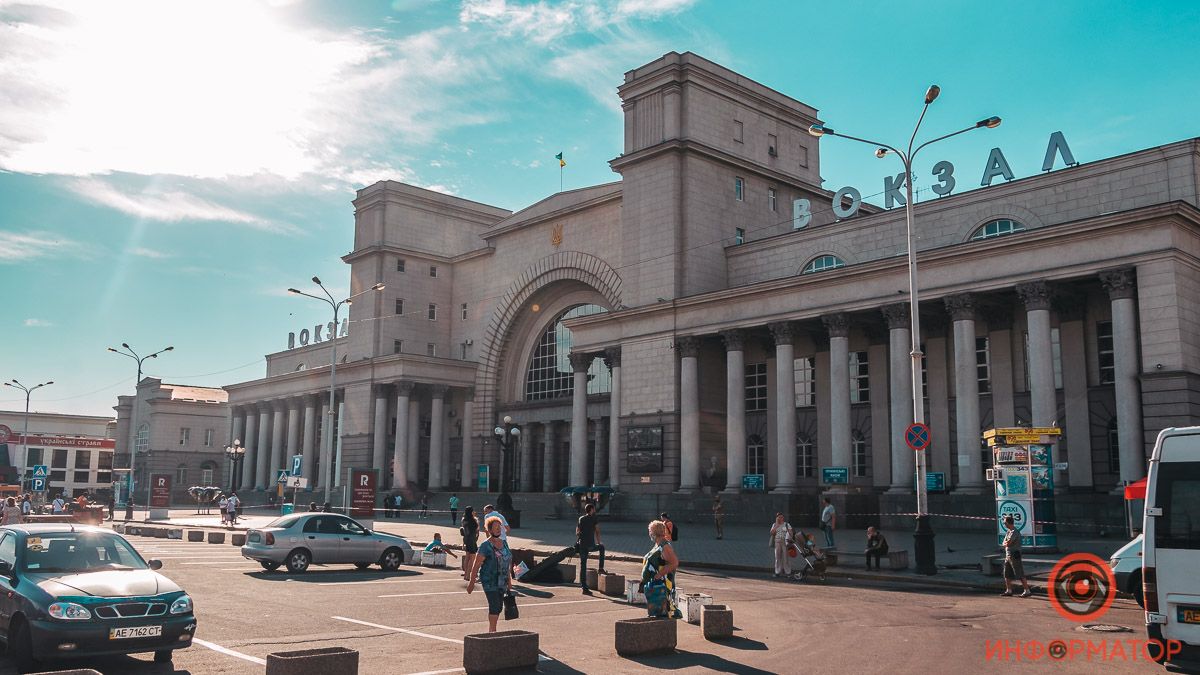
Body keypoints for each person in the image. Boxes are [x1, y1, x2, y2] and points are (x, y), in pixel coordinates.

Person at [467, 516, 514, 633]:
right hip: (490, 581)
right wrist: (471, 582)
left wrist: (509, 580)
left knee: (498, 607)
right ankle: (492, 631)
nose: (498, 529)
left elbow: (507, 563)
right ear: (490, 530)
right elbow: (477, 564)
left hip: (502, 580)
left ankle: (492, 629)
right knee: (494, 605)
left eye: (500, 527)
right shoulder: (485, 545)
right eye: (495, 527)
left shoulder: (504, 543)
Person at [641, 519, 680, 617]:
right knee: (658, 611)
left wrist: (659, 574)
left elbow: (674, 563)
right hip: (657, 585)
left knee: (664, 611)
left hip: (663, 585)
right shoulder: (658, 544)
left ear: (655, 533)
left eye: (650, 531)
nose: (649, 534)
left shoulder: (664, 546)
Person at [576, 503, 606, 595]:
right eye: (594, 509)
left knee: (583, 566)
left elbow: (577, 532)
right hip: (590, 545)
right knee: (601, 547)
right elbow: (597, 531)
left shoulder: (581, 518)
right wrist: (599, 542)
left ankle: (584, 588)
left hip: (582, 545)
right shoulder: (594, 518)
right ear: (592, 510)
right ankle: (601, 568)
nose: (594, 510)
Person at [1000, 515, 1032, 597]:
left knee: (1019, 573)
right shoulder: (1008, 531)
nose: (1004, 524)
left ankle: (1027, 590)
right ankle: (1009, 590)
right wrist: (1006, 543)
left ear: (1008, 522)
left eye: (1005, 523)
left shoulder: (1015, 532)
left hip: (1014, 555)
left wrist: (1006, 543)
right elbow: (1004, 543)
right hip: (1008, 555)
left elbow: (1008, 543)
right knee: (1006, 573)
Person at [769, 513, 795, 578]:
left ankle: (788, 572)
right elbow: (771, 533)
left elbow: (791, 533)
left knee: (786, 558)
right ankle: (777, 572)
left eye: (782, 517)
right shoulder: (774, 524)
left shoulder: (786, 524)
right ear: (777, 518)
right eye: (779, 517)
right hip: (777, 542)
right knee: (777, 557)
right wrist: (776, 525)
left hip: (785, 542)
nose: (780, 518)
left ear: (783, 518)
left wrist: (789, 535)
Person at [461, 506, 480, 580]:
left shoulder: (464, 520)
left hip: (466, 539)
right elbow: (477, 529)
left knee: (467, 557)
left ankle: (466, 574)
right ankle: (468, 575)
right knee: (472, 558)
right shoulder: (473, 520)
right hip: (472, 540)